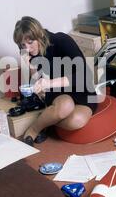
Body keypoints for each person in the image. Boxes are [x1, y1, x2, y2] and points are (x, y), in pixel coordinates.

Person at [13, 16, 98, 145]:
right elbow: (39, 88)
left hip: (81, 88)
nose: (27, 48)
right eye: (23, 45)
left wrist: (49, 83)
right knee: (65, 106)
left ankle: (47, 120)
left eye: (30, 42)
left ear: (40, 34)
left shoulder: (61, 40)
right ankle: (34, 129)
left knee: (76, 120)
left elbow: (85, 75)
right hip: (58, 93)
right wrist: (31, 69)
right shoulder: (27, 52)